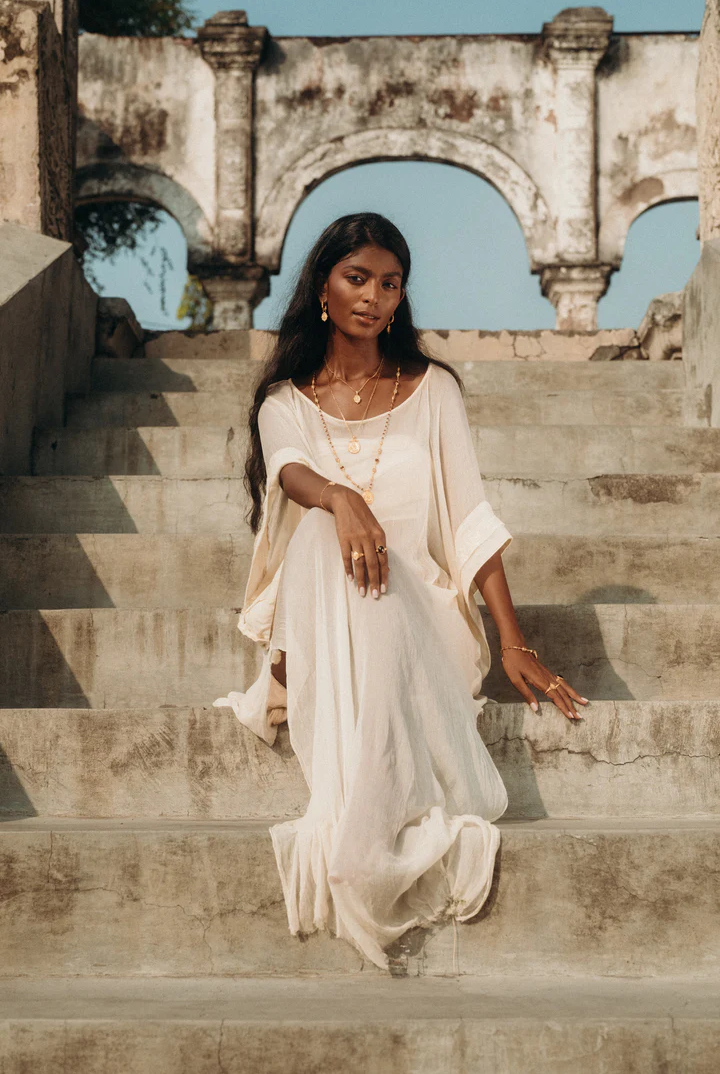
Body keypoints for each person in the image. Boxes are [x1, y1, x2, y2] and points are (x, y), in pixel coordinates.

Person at [214, 211, 589, 973]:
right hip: (328, 622)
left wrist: (513, 641)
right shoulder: (283, 402)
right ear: (322, 287)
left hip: (425, 625)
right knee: (319, 531)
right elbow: (289, 472)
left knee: (349, 554)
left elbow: (470, 518)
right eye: (357, 279)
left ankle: (365, 837)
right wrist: (341, 497)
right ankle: (370, 829)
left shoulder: (432, 390)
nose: (374, 297)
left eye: (390, 284)